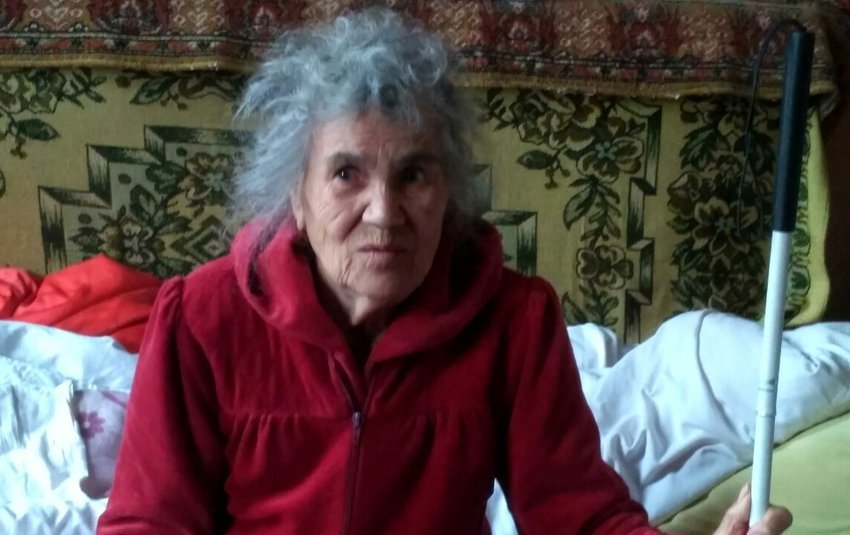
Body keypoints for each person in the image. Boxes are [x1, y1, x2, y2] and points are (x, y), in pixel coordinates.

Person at [98, 7, 792, 535]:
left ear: (448, 192)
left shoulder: (514, 322)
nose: (383, 212)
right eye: (346, 174)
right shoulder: (201, 319)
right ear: (295, 197)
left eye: (413, 174)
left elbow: (576, 513)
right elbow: (150, 522)